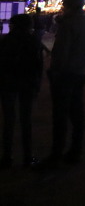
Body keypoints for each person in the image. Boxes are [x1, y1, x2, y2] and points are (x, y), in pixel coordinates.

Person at [40, 0, 85, 168]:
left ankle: (56, 154)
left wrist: (55, 71)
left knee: (60, 115)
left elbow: (62, 52)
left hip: (65, 73)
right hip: (80, 71)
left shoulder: (69, 24)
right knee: (77, 113)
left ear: (68, 5)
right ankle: (75, 150)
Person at [0, 13, 44, 169]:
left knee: (8, 121)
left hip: (8, 84)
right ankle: (27, 156)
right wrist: (37, 85)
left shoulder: (5, 41)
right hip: (27, 83)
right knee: (26, 121)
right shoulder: (33, 41)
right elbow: (38, 66)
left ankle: (7, 157)